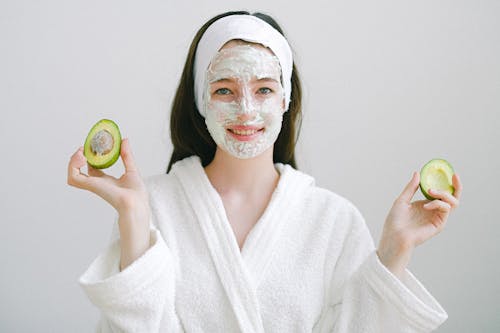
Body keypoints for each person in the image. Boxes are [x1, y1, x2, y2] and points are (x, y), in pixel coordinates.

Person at [67, 10, 463, 333]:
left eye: (264, 90)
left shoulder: (334, 221)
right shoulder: (155, 206)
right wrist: (135, 217)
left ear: (286, 99)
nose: (246, 110)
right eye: (224, 90)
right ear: (202, 102)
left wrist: (394, 251)